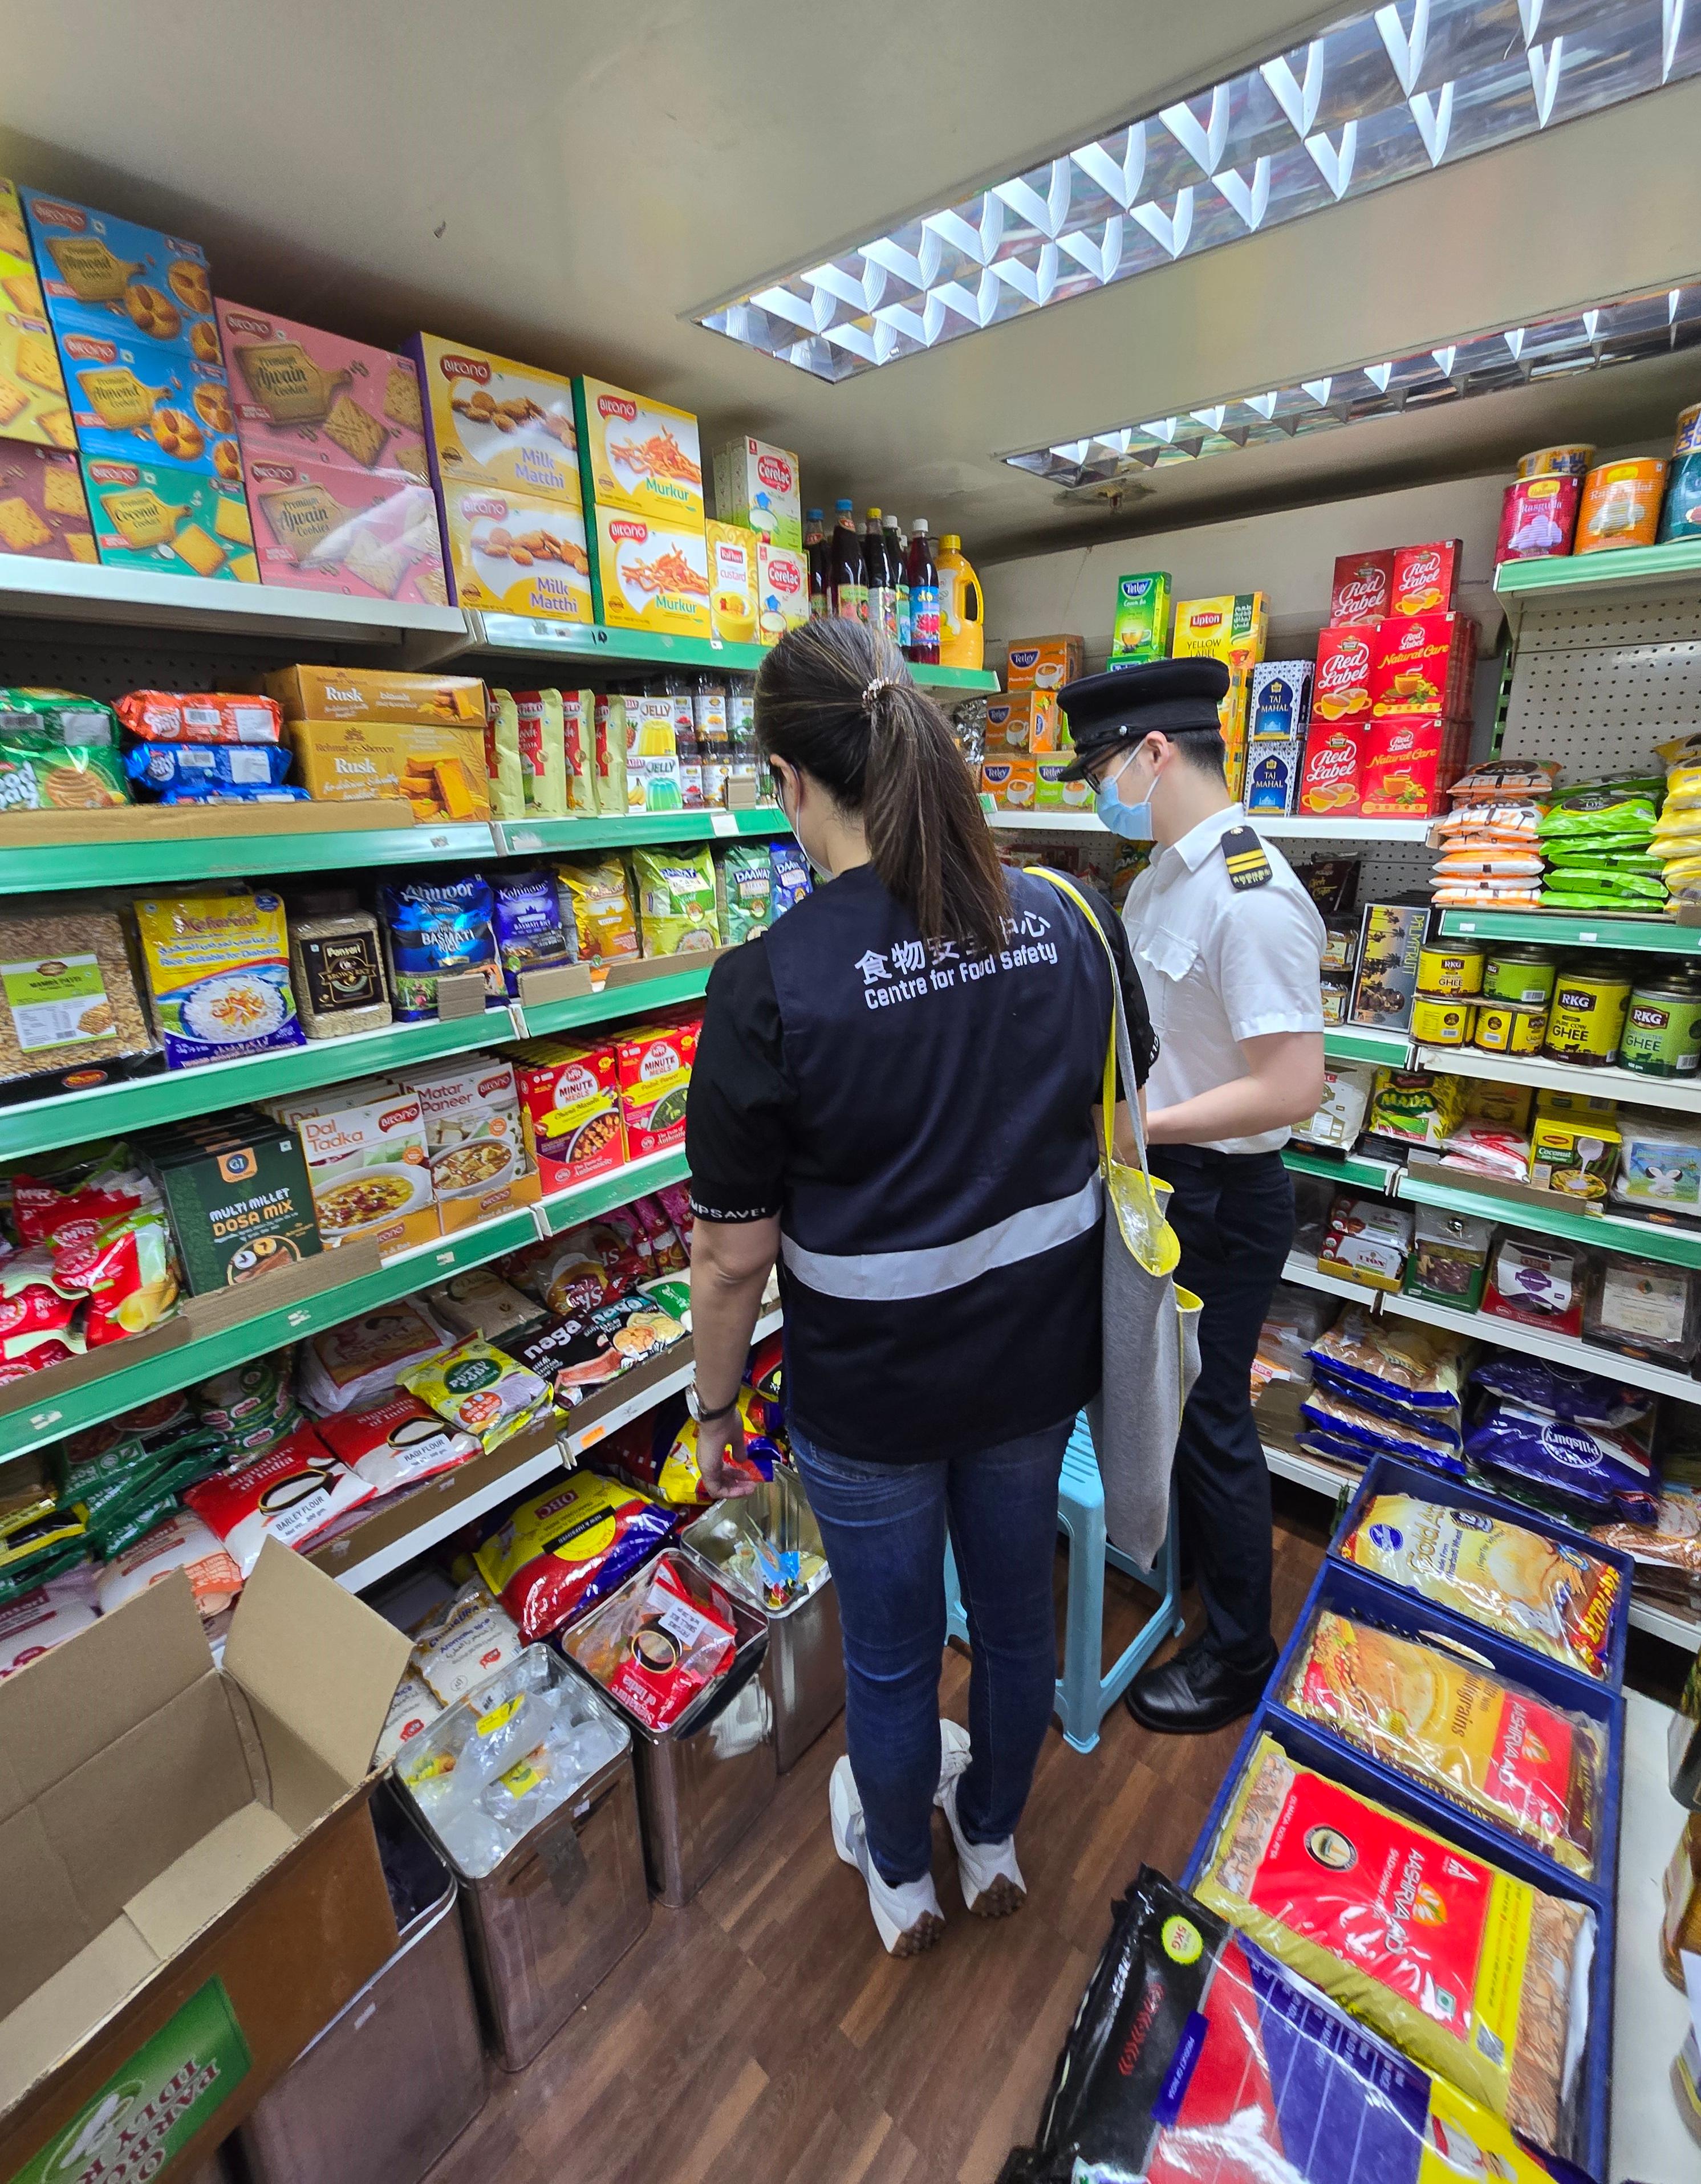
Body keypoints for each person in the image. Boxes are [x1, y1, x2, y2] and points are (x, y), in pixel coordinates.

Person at [681, 617, 1155, 1957]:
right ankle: (992, 1831)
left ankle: (900, 1876)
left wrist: (715, 1416)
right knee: (1013, 1622)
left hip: (871, 1405)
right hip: (1030, 1377)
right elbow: (1123, 1142)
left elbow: (730, 1255)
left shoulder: (768, 984)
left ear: (789, 780)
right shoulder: (1070, 915)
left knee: (889, 1655)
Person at [1058, 659, 1326, 1735]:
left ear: (1154, 753)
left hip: (1219, 1193)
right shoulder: (1165, 870)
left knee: (1214, 1417)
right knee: (1166, 1396)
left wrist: (1141, 1128)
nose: (1096, 792)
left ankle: (1239, 1655)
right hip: (1163, 1181)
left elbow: (1293, 1086)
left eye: (1100, 770)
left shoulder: (1252, 897)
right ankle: (1197, 1584)